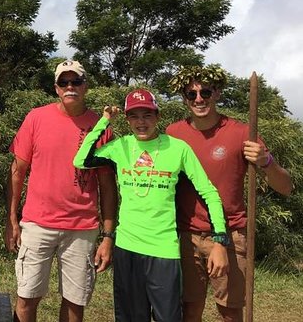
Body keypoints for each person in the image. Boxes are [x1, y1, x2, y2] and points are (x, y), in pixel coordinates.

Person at [74, 88, 229, 322]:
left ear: (157, 116)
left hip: (163, 250)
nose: (141, 122)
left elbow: (209, 192)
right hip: (127, 248)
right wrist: (104, 120)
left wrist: (220, 237)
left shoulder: (178, 148)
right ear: (127, 120)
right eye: (134, 116)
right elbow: (81, 160)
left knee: (168, 318)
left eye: (147, 115)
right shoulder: (121, 147)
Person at [166, 66, 293, 322]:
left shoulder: (242, 134)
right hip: (186, 234)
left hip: (231, 235)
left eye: (206, 92)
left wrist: (266, 161)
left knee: (230, 311)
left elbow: (286, 187)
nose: (199, 99)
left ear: (218, 93)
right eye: (191, 94)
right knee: (189, 309)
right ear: (184, 98)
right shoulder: (173, 134)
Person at [5, 60, 117, 322]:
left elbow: (108, 186)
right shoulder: (36, 118)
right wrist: (11, 219)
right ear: (56, 88)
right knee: (26, 298)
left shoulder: (101, 127)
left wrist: (108, 235)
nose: (70, 87)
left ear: (85, 86)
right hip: (37, 224)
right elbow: (17, 171)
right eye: (63, 82)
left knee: (75, 303)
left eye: (76, 81)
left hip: (82, 228)